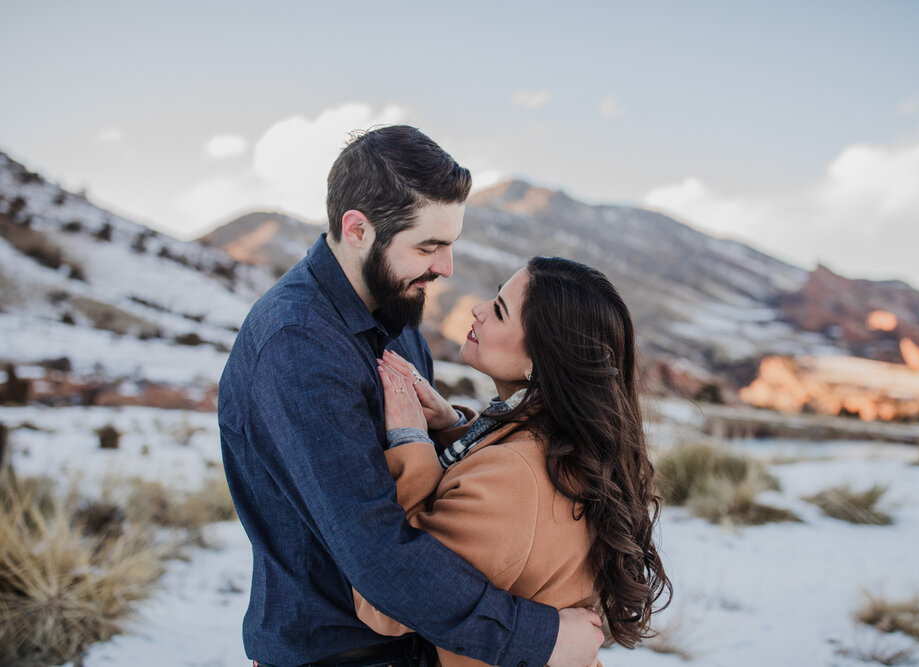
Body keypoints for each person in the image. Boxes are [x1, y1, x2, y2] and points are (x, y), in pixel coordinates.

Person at [219, 126, 604, 667]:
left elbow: (437, 490)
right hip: (336, 652)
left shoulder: (396, 316)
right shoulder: (297, 347)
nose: (445, 267)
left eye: (450, 244)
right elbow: (379, 552)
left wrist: (452, 427)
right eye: (429, 246)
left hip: (415, 645)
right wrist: (537, 639)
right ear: (357, 229)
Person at [355, 256, 672, 666]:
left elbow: (386, 604)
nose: (478, 309)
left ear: (540, 360)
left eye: (500, 310)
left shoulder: (514, 477)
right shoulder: (567, 445)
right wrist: (454, 427)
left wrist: (409, 443)